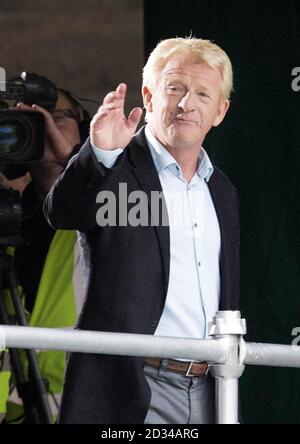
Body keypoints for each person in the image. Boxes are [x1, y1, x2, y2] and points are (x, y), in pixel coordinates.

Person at [44, 37, 240, 424]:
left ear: (220, 111)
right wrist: (99, 154)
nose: (187, 104)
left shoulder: (222, 190)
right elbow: (62, 212)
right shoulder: (115, 168)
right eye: (175, 88)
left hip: (211, 387)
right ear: (149, 96)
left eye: (203, 94)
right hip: (130, 388)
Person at [1, 86, 89, 422]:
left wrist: (76, 161)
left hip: (77, 410)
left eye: (58, 115)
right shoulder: (9, 215)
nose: (45, 124)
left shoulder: (103, 209)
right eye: (29, 118)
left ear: (83, 128)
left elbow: (120, 211)